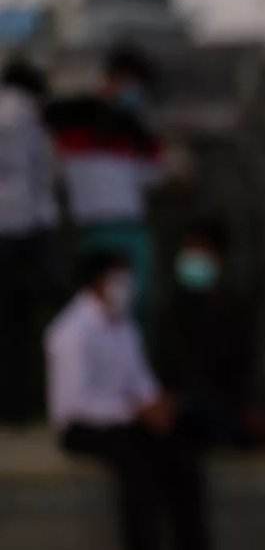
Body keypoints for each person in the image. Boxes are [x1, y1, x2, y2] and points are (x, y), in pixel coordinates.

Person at [46, 251, 210, 550]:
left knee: (182, 455)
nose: (127, 287)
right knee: (138, 469)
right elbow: (74, 403)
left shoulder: (125, 325)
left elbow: (140, 379)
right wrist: (135, 411)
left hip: (128, 420)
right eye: (119, 280)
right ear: (96, 284)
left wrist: (157, 405)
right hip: (85, 426)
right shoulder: (71, 332)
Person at [44, 45, 165, 323]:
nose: (136, 95)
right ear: (114, 79)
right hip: (95, 231)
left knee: (135, 314)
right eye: (133, 85)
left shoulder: (135, 128)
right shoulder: (70, 117)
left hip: (131, 229)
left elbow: (158, 171)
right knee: (99, 317)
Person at [152, 220, 265, 446]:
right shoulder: (173, 311)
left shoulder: (236, 309)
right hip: (188, 409)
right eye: (188, 251)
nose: (192, 259)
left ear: (219, 257)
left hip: (228, 407)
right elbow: (171, 369)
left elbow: (244, 368)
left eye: (200, 251)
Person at [0, 57, 62, 423]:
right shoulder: (22, 116)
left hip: (17, 230)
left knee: (12, 325)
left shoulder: (19, 116)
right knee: (19, 325)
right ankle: (18, 405)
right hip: (21, 233)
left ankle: (15, 406)